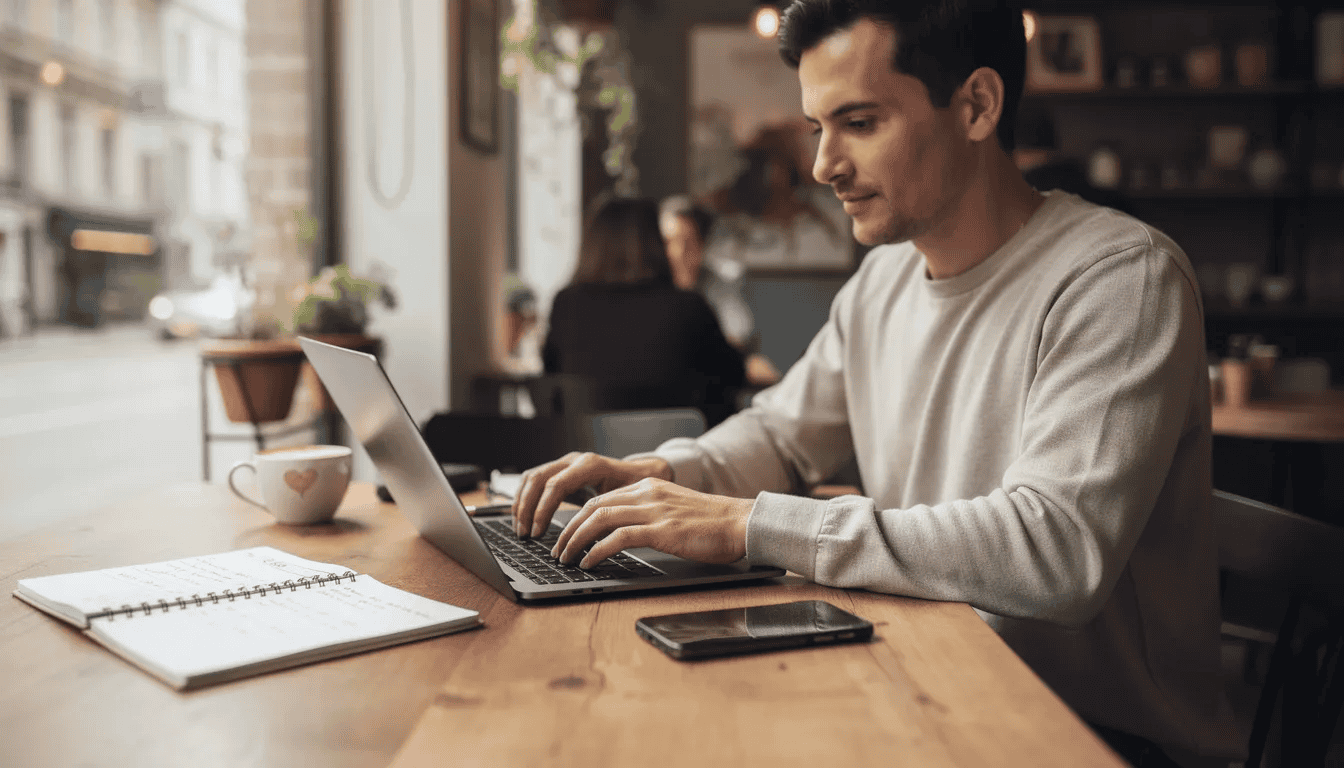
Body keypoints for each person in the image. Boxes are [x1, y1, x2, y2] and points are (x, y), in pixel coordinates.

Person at [514, 2, 1242, 766]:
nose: (823, 165)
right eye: (817, 128)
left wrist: (750, 525)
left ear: (977, 105)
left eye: (858, 123)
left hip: (1096, 736)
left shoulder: (1120, 278)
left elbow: (1056, 552)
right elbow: (782, 434)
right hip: (931, 683)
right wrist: (663, 476)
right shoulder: (882, 282)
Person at [542, 196, 746, 425]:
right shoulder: (687, 307)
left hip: (586, 444)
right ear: (654, 243)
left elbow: (550, 381)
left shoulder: (566, 305)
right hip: (673, 445)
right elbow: (734, 376)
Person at [658, 195, 781, 387]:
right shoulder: (646, 287)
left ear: (702, 247)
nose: (677, 253)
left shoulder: (720, 283)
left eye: (688, 243)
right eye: (667, 243)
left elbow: (738, 337)